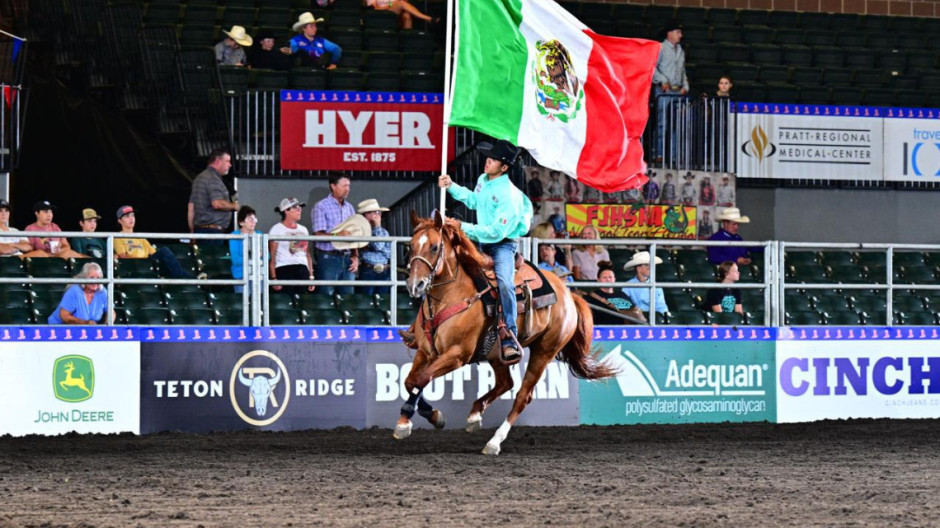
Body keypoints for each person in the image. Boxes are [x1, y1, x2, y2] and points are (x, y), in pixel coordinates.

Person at [438, 139, 533, 364]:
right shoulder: (483, 180)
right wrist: (451, 186)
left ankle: (509, 333)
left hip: (501, 244)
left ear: (504, 167)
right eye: (488, 158)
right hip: (481, 239)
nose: (487, 161)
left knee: (505, 283)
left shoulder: (508, 195)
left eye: (493, 160)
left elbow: (497, 231)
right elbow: (474, 201)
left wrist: (463, 227)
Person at [114, 206, 205, 280]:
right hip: (135, 264)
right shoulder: (117, 237)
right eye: (127, 216)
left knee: (164, 253)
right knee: (165, 252)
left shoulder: (140, 237)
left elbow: (153, 252)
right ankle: (185, 278)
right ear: (119, 220)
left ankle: (185, 277)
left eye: (132, 215)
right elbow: (123, 257)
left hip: (147, 263)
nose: (131, 218)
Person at [312, 173, 359, 295]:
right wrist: (338, 235)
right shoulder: (321, 206)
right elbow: (318, 235)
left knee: (347, 297)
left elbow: (354, 235)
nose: (348, 189)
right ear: (333, 186)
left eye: (348, 186)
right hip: (328, 257)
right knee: (326, 295)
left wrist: (355, 256)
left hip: (347, 257)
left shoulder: (349, 208)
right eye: (344, 186)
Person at [652, 22, 689, 161]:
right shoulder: (660, 48)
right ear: (670, 33)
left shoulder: (680, 50)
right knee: (663, 123)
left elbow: (682, 71)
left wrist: (685, 85)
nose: (680, 35)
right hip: (664, 91)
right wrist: (662, 79)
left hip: (677, 91)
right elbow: (652, 67)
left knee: (676, 124)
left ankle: (673, 155)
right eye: (678, 32)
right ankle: (659, 153)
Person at [188, 149, 238, 244]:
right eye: (227, 161)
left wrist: (192, 233)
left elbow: (191, 208)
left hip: (199, 231)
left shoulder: (199, 178)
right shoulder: (213, 179)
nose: (230, 165)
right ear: (218, 161)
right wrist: (235, 206)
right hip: (213, 233)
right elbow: (217, 203)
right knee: (214, 258)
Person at [269, 198, 315, 296]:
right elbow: (272, 257)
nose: (299, 210)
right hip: (284, 269)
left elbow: (307, 254)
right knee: (286, 300)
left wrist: (311, 276)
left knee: (302, 300)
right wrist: (274, 278)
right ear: (286, 210)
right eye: (295, 207)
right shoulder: (276, 229)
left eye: (299, 207)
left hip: (302, 269)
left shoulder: (303, 230)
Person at [356, 199, 391, 295]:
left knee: (383, 301)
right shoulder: (361, 231)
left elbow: (388, 253)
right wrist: (377, 226)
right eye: (375, 212)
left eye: (379, 212)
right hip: (368, 270)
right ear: (366, 215)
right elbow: (378, 245)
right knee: (366, 301)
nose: (379, 214)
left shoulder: (384, 232)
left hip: (384, 270)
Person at [230, 205, 257, 293]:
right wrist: (255, 256)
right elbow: (236, 260)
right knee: (242, 303)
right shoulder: (234, 235)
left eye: (254, 218)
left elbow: (267, 256)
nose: (253, 222)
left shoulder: (259, 234)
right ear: (241, 222)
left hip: (257, 275)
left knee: (259, 304)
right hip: (240, 275)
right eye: (250, 219)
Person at [365, 0, 435, 30]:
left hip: (397, 12)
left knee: (407, 15)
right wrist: (392, 5)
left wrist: (394, 4)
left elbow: (406, 3)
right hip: (381, 13)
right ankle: (428, 19)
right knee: (400, 3)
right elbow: (375, 8)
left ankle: (407, 42)